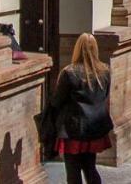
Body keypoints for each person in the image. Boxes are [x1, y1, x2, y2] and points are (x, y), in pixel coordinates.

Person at [46, 32, 113, 184]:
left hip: (73, 129)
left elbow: (57, 101)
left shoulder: (69, 73)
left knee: (73, 169)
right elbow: (106, 96)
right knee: (90, 167)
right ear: (95, 49)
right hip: (94, 127)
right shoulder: (105, 71)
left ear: (77, 49)